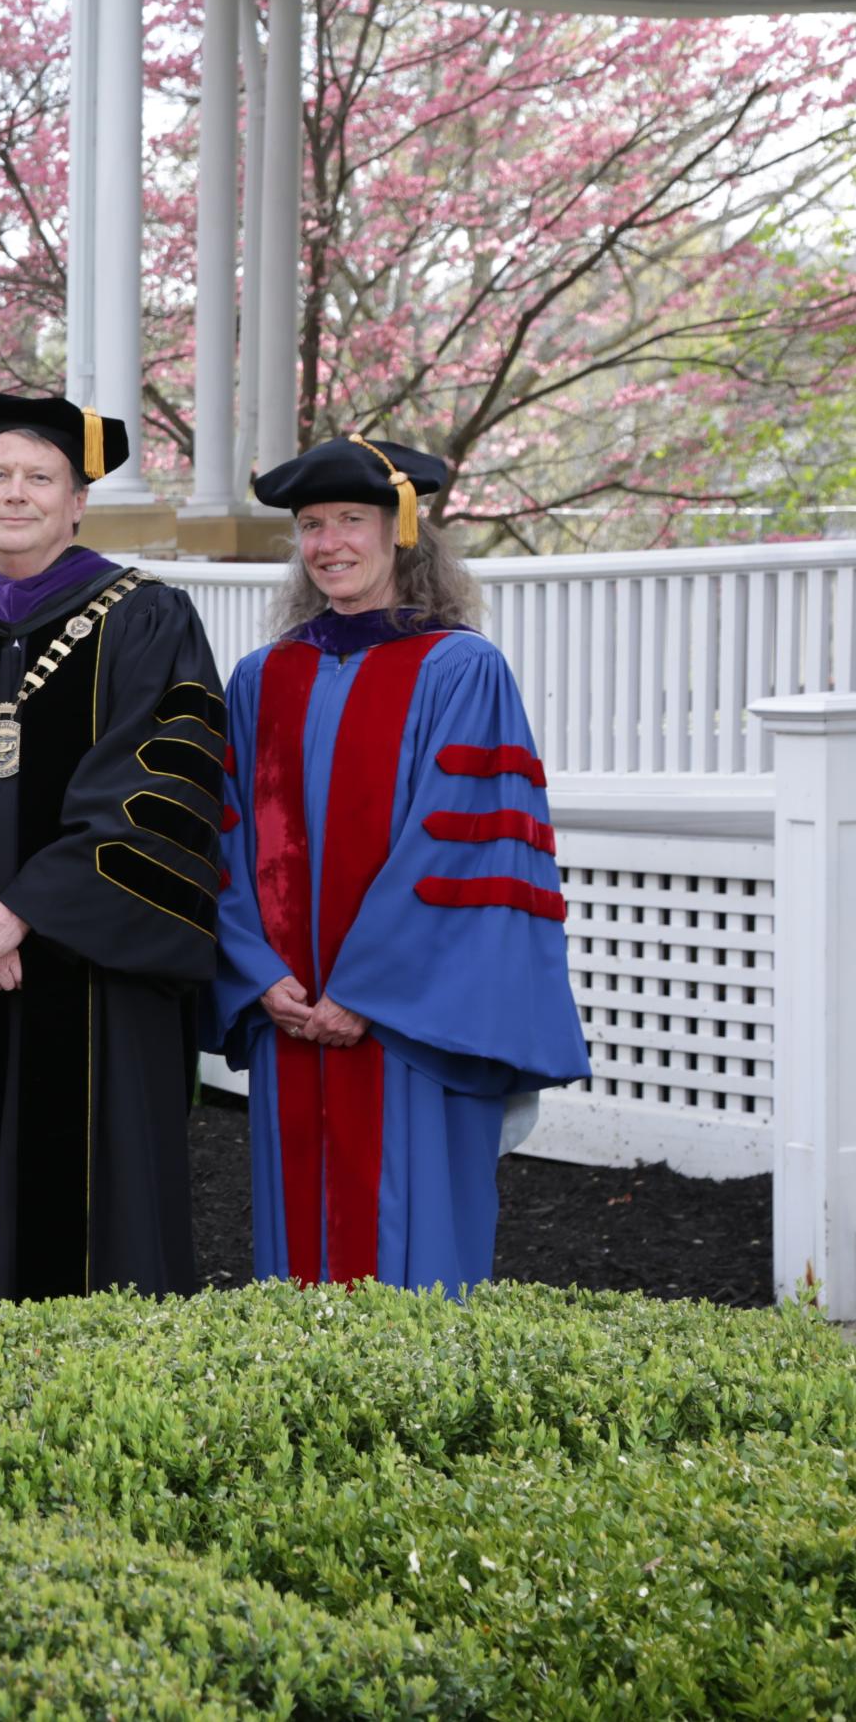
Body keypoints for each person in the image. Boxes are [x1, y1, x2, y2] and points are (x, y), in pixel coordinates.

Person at [0, 391, 222, 1303]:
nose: (16, 494)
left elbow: (160, 785)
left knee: (104, 1228)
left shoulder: (148, 619)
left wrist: (22, 912)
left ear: (77, 501)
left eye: (40, 478)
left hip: (99, 980)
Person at [209, 437, 588, 1291]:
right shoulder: (262, 677)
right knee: (294, 1258)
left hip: (405, 1026)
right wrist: (260, 974)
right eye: (311, 525)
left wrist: (362, 992)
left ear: (401, 532)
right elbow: (225, 842)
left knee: (410, 1253)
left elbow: (461, 843)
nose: (330, 542)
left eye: (352, 519)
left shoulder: (460, 669)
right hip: (289, 1015)